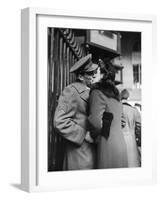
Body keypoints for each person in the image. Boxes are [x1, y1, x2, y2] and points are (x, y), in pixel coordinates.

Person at [54, 54, 99, 170]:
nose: (94, 75)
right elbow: (60, 121)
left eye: (94, 72)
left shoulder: (91, 91)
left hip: (91, 149)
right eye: (89, 73)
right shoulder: (71, 91)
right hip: (79, 152)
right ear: (80, 76)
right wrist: (83, 135)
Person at [88, 60, 128, 169]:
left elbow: (95, 122)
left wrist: (92, 135)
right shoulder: (116, 94)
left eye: (96, 73)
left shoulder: (97, 92)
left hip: (107, 143)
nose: (92, 75)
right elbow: (122, 121)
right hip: (120, 143)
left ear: (104, 75)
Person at [120, 89, 141, 167]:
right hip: (132, 140)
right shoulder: (134, 110)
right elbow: (139, 128)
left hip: (119, 140)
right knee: (132, 163)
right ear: (128, 98)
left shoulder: (116, 109)